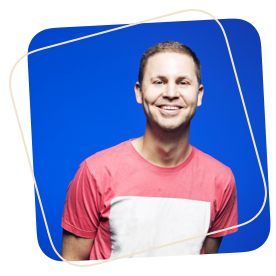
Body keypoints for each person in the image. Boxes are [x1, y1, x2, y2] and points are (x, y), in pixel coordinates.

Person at [61, 41, 238, 264]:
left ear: (199, 94)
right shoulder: (95, 172)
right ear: (139, 92)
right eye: (159, 82)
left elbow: (206, 261)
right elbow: (72, 261)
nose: (171, 93)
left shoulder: (221, 180)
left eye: (183, 82)